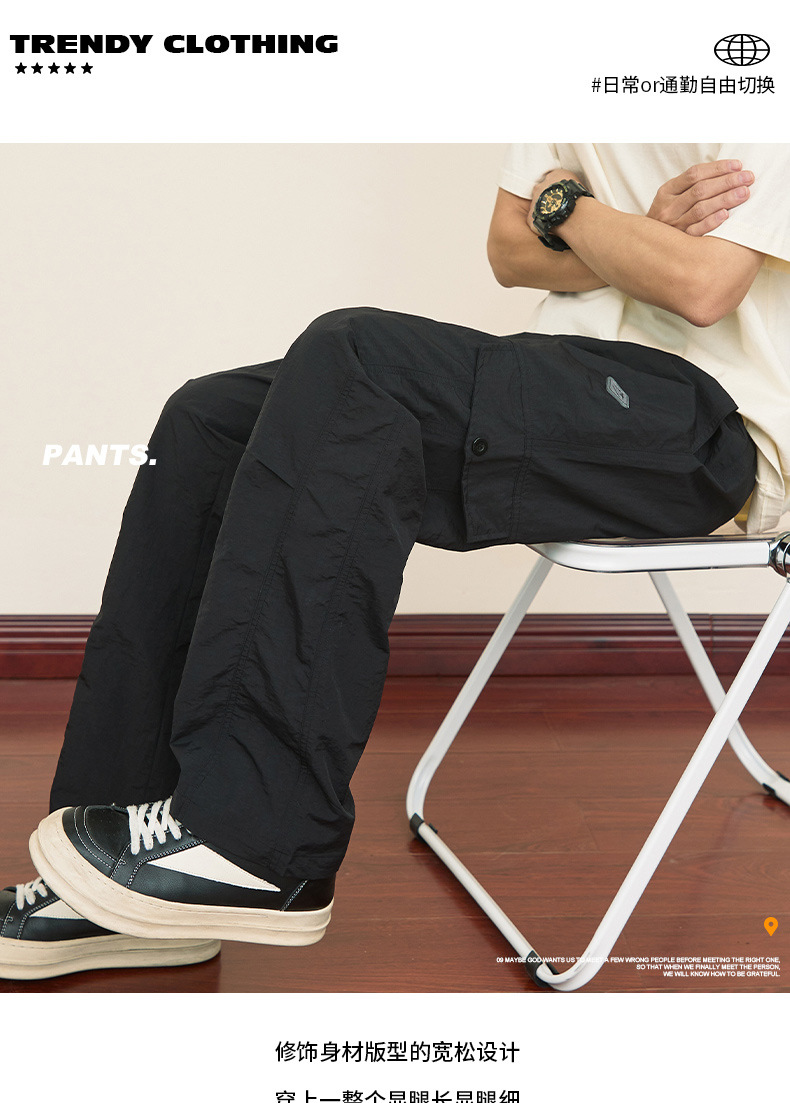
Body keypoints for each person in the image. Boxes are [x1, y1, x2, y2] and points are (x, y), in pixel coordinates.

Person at [2, 144, 788, 980]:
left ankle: (256, 839)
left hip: (711, 423)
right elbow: (509, 252)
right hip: (568, 379)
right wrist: (637, 238)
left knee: (358, 354)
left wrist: (571, 211)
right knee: (210, 419)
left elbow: (702, 286)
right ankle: (122, 878)